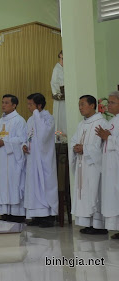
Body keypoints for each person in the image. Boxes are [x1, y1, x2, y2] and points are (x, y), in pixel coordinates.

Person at [70, 95, 107, 235]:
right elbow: (74, 140)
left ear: (92, 105)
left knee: (94, 192)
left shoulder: (102, 123)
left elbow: (103, 148)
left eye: (83, 104)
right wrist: (75, 147)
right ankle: (88, 224)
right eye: (79, 105)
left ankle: (99, 225)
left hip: (94, 167)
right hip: (82, 165)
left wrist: (85, 149)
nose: (80, 108)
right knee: (84, 193)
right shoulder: (81, 124)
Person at [22, 93, 58, 227]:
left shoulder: (48, 118)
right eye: (28, 104)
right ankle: (36, 215)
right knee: (33, 186)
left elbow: (43, 137)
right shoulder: (30, 119)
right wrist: (24, 145)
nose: (28, 107)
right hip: (32, 158)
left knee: (45, 186)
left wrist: (37, 114)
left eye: (31, 104)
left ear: (39, 105)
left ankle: (48, 216)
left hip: (44, 160)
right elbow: (27, 136)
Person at [0, 94, 27, 223]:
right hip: (1, 158)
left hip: (12, 159)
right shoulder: (0, 121)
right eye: (2, 102)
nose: (3, 105)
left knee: (13, 184)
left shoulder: (19, 120)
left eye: (6, 103)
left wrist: (5, 142)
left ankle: (16, 214)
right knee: (2, 184)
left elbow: (22, 139)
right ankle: (4, 213)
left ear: (14, 105)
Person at [96, 91, 119, 240]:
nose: (108, 105)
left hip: (116, 165)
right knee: (112, 196)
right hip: (110, 166)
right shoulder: (112, 121)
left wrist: (108, 138)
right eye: (108, 102)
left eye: (112, 102)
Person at [51, 51, 67, 137]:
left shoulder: (67, 67)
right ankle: (60, 136)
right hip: (61, 96)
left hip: (68, 96)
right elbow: (54, 82)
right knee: (60, 117)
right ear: (60, 55)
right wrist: (58, 93)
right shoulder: (57, 68)